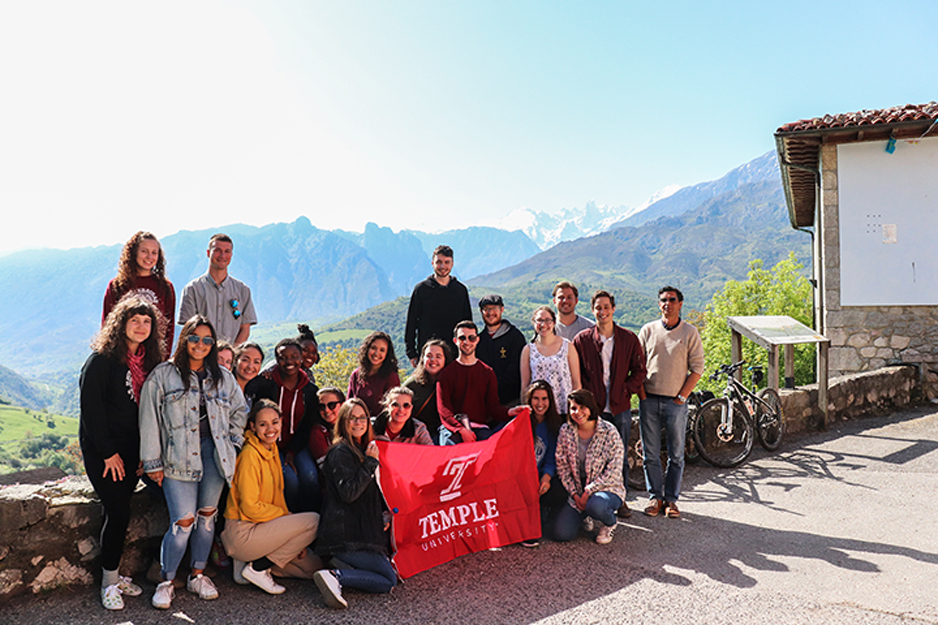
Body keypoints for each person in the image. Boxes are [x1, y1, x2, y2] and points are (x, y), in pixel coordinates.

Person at [139, 315, 249, 610]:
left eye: (207, 340)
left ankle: (197, 575)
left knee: (206, 517)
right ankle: (166, 580)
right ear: (184, 338)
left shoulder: (223, 377)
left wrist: (233, 443)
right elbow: (149, 419)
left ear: (212, 345)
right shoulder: (163, 375)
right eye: (194, 338)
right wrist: (153, 463)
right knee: (183, 522)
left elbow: (240, 411)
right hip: (177, 457)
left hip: (214, 455)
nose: (200, 344)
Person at [80, 296, 163, 610]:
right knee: (118, 513)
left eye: (146, 321)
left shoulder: (146, 362)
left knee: (116, 512)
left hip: (132, 452)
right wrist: (108, 453)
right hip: (106, 452)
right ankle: (109, 584)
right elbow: (92, 411)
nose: (141, 326)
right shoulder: (101, 361)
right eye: (134, 320)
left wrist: (144, 452)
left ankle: (113, 574)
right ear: (120, 323)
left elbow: (147, 413)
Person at [222, 399, 321, 595]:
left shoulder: (273, 449)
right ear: (253, 426)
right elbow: (250, 507)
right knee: (314, 521)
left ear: (281, 422)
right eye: (262, 424)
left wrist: (295, 540)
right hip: (243, 531)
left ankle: (251, 566)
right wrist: (286, 517)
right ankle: (257, 568)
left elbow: (277, 498)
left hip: (265, 528)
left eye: (275, 422)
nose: (270, 429)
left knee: (314, 569)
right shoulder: (250, 455)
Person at [313, 399, 397, 609]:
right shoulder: (340, 452)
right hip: (344, 537)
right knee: (388, 580)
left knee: (390, 575)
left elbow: (368, 496)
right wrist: (370, 463)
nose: (358, 422)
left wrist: (383, 516)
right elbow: (349, 493)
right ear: (343, 421)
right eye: (353, 418)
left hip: (361, 534)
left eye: (363, 418)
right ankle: (336, 575)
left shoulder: (361, 449)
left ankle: (342, 566)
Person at [572, 290, 646, 518]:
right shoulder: (583, 339)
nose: (602, 311)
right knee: (591, 457)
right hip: (593, 410)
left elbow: (640, 371)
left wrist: (625, 390)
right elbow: (577, 373)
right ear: (592, 310)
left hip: (619, 406)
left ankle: (620, 499)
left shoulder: (628, 338)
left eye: (606, 307)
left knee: (619, 455)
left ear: (613, 309)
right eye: (598, 307)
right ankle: (592, 501)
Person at [638, 286, 704, 520]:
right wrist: (643, 396)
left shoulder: (689, 332)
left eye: (672, 300)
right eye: (663, 300)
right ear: (659, 304)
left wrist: (682, 397)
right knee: (650, 454)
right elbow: (638, 367)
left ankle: (672, 500)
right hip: (649, 400)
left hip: (676, 402)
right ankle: (655, 498)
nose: (667, 304)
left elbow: (697, 368)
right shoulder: (648, 330)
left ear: (680, 303)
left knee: (676, 454)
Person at [244, 339, 321, 513]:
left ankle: (312, 520)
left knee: (310, 476)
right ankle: (289, 517)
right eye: (283, 357)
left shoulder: (309, 391)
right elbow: (248, 391)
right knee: (289, 480)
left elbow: (307, 426)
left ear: (301, 359)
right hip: (270, 444)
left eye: (294, 356)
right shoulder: (266, 384)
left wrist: (292, 452)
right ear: (276, 360)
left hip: (297, 445)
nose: (289, 361)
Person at [553, 389, 625, 545]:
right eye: (573, 408)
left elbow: (614, 470)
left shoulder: (609, 431)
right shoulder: (566, 431)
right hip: (578, 490)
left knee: (597, 505)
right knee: (561, 533)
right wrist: (575, 494)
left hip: (606, 488)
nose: (578, 412)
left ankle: (610, 523)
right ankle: (585, 515)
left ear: (591, 407)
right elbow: (562, 467)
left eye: (582, 407)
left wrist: (588, 491)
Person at [437, 321, 527, 444]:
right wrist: (461, 430)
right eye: (462, 338)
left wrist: (509, 412)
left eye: (471, 338)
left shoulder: (487, 372)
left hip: (480, 429)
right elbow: (444, 410)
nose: (467, 342)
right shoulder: (446, 374)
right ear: (455, 341)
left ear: (477, 340)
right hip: (453, 430)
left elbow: (492, 407)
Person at [101, 231, 175, 358]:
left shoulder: (165, 287)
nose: (149, 257)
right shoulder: (117, 285)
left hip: (153, 356)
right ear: (133, 252)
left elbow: (169, 326)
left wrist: (164, 358)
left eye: (154, 253)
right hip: (121, 356)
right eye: (144, 251)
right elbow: (107, 322)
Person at [178, 233, 257, 345]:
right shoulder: (192, 290)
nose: (222, 255)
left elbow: (245, 328)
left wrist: (231, 354)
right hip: (201, 356)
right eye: (217, 250)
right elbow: (188, 329)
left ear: (231, 255)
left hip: (229, 359)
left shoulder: (243, 290)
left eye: (227, 251)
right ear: (208, 253)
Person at [404, 245, 472, 367]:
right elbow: (411, 322)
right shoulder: (421, 290)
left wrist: (467, 352)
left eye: (447, 262)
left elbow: (467, 324)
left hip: (454, 355)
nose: (442, 266)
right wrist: (411, 353)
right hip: (428, 355)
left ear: (452, 264)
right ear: (432, 263)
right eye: (439, 262)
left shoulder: (460, 291)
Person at [520, 380, 566, 548]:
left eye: (544, 399)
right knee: (529, 534)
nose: (540, 404)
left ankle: (545, 511)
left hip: (539, 478)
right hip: (520, 479)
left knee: (560, 490)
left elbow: (551, 458)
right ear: (529, 400)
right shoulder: (520, 421)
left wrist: (546, 477)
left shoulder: (553, 425)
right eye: (535, 399)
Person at [520, 306, 581, 414]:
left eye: (548, 320)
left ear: (554, 322)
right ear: (533, 323)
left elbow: (576, 382)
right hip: (538, 410)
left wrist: (576, 408)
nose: (543, 324)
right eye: (539, 320)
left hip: (564, 408)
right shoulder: (528, 350)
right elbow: (525, 385)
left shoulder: (567, 346)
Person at [475, 294, 526, 406]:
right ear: (481, 311)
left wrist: (495, 385)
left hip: (511, 401)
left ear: (502, 310)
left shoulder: (515, 337)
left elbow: (517, 368)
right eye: (486, 309)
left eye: (494, 308)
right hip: (485, 402)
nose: (490, 313)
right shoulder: (479, 340)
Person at [402, 339, 453, 443]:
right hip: (417, 434)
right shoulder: (413, 384)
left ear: (445, 360)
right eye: (429, 356)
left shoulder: (452, 383)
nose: (433, 359)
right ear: (423, 359)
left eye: (438, 356)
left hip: (443, 433)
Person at [347, 331, 400, 418]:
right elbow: (349, 404)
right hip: (356, 423)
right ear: (367, 349)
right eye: (373, 348)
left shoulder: (391, 377)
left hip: (379, 426)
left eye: (382, 350)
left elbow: (391, 408)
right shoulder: (356, 374)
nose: (376, 353)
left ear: (387, 354)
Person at [309, 387, 346, 467]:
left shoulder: (353, 426)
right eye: (321, 406)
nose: (327, 410)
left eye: (331, 405)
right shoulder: (317, 433)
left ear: (343, 405)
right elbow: (326, 467)